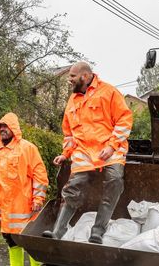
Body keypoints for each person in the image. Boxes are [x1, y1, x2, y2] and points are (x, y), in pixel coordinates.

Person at [42, 61, 133, 243]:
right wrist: (66, 153)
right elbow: (69, 132)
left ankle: (97, 231)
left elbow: (124, 119)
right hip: (84, 151)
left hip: (110, 147)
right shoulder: (72, 101)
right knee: (74, 187)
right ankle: (57, 232)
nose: (70, 80)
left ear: (84, 76)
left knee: (114, 181)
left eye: (72, 77)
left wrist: (111, 146)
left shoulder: (109, 92)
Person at [0, 112, 48, 266]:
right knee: (8, 235)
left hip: (23, 204)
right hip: (4, 205)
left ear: (14, 128)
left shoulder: (27, 148)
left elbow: (40, 175)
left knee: (28, 237)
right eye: (0, 127)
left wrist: (38, 199)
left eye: (6, 127)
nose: (3, 130)